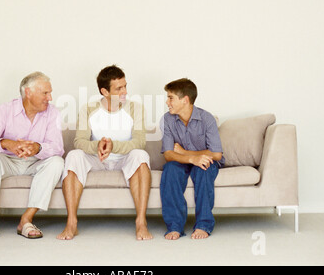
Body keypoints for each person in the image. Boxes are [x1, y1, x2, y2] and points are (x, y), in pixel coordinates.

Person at [57, 65, 153, 241]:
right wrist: (98, 146)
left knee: (140, 155)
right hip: (97, 159)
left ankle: (141, 222)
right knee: (73, 155)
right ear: (104, 91)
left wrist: (113, 146)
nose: (124, 91)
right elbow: (79, 141)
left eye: (125, 86)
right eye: (118, 88)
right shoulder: (88, 109)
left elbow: (139, 141)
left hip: (124, 158)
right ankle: (71, 223)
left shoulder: (135, 108)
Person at [0, 72, 64, 241]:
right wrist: (8, 143)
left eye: (50, 92)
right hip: (8, 161)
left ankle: (26, 220)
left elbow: (58, 148)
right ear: (28, 92)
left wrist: (38, 148)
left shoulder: (53, 113)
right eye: (45, 93)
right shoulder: (4, 110)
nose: (50, 97)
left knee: (57, 162)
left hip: (35, 162)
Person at [160, 78, 224, 240]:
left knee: (204, 168)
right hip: (182, 162)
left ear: (185, 100)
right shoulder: (168, 119)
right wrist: (191, 158)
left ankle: (203, 225)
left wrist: (184, 152)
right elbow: (168, 154)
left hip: (204, 162)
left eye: (171, 98)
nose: (167, 102)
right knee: (170, 169)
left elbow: (216, 154)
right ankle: (175, 226)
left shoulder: (207, 119)